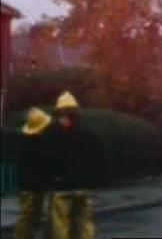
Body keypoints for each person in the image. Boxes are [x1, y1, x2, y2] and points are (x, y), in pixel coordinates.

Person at [48, 91, 106, 239]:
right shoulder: (88, 134)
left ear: (59, 112)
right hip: (83, 187)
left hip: (62, 187)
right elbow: (100, 158)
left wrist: (52, 178)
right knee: (85, 225)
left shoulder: (53, 134)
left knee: (61, 225)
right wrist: (93, 181)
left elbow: (47, 159)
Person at [15, 107, 52, 239]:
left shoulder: (32, 141)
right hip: (31, 186)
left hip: (34, 184)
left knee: (33, 215)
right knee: (27, 215)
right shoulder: (31, 143)